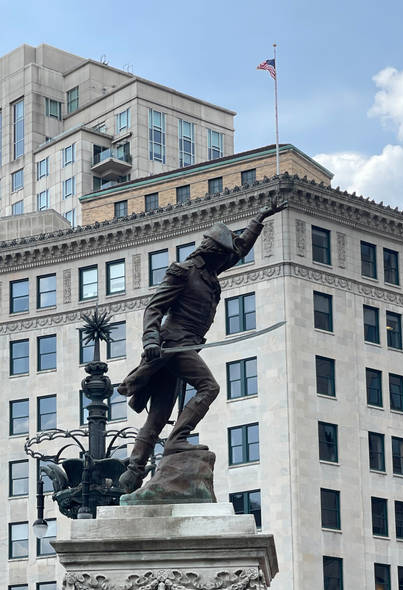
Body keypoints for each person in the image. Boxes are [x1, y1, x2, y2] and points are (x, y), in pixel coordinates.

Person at [117, 193, 286, 494]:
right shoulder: (183, 272)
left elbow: (240, 249)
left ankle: (134, 470)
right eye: (222, 253)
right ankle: (176, 439)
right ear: (211, 251)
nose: (226, 258)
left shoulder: (209, 273)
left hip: (187, 346)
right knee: (210, 388)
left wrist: (259, 218)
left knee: (159, 413)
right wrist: (151, 339)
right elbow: (154, 308)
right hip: (172, 343)